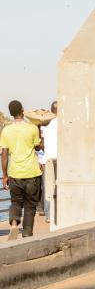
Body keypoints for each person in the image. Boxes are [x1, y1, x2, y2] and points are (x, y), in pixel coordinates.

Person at [1, 100, 44, 239]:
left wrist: (5, 176)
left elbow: (4, 155)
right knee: (30, 206)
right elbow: (38, 147)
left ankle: (14, 224)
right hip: (32, 173)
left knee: (15, 202)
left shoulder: (6, 130)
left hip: (15, 174)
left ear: (11, 113)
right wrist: (39, 132)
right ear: (22, 110)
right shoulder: (31, 128)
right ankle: (27, 233)